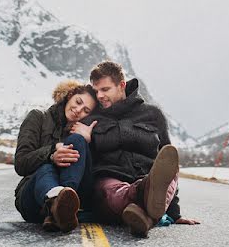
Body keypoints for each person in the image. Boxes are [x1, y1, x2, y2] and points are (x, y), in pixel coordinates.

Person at [85, 60, 201, 237]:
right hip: (111, 180)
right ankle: (148, 203)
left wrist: (175, 214)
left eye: (105, 89)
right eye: (96, 91)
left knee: (166, 174)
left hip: (150, 177)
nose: (99, 95)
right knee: (111, 192)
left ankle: (145, 211)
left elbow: (168, 162)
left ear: (121, 85)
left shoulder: (153, 114)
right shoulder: (91, 118)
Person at [13, 80, 99, 232]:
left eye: (86, 110)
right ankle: (59, 203)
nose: (78, 110)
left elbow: (91, 176)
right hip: (33, 198)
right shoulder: (38, 117)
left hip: (75, 202)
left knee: (78, 140)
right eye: (78, 102)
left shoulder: (83, 132)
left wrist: (89, 142)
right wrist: (52, 152)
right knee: (47, 167)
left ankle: (61, 208)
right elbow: (21, 164)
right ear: (70, 95)